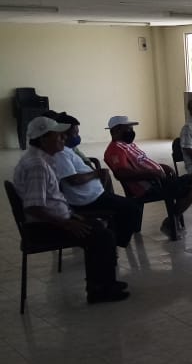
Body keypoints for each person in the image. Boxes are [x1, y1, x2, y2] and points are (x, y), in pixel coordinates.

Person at [13, 117, 129, 304]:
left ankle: (101, 284)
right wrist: (67, 223)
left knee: (98, 228)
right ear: (43, 139)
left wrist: (70, 215)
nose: (63, 138)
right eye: (58, 136)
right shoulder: (37, 166)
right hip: (44, 228)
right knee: (102, 235)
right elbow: (33, 207)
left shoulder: (41, 159)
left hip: (53, 220)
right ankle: (100, 290)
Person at [47, 113, 143, 248]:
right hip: (86, 200)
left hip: (93, 194)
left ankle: (110, 237)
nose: (77, 137)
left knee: (126, 206)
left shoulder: (68, 150)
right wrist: (95, 174)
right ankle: (115, 243)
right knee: (132, 208)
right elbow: (73, 180)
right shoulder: (61, 154)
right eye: (74, 134)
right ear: (63, 134)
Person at [104, 116, 192, 240]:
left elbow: (143, 162)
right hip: (149, 187)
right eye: (128, 128)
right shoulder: (115, 150)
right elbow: (121, 173)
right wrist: (152, 173)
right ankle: (170, 222)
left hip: (158, 180)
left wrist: (161, 167)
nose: (132, 131)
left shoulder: (127, 145)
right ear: (117, 130)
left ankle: (172, 219)